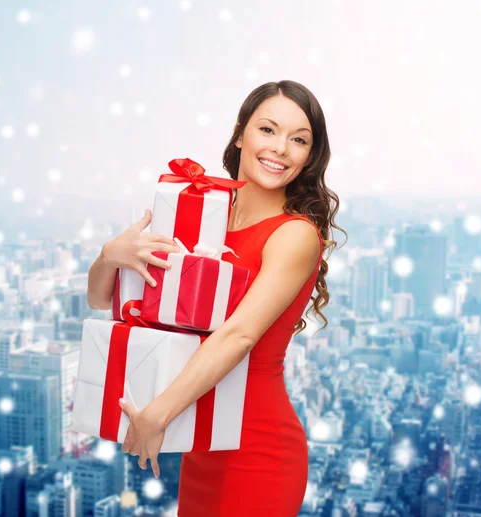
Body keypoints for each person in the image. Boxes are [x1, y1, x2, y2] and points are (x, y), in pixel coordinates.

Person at [87, 79, 345, 516]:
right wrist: (111, 255)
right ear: (241, 133)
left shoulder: (295, 234)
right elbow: (100, 299)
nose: (281, 148)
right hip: (203, 439)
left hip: (258, 450)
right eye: (268, 130)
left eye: (298, 140)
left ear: (309, 156)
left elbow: (238, 336)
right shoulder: (204, 215)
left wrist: (157, 415)